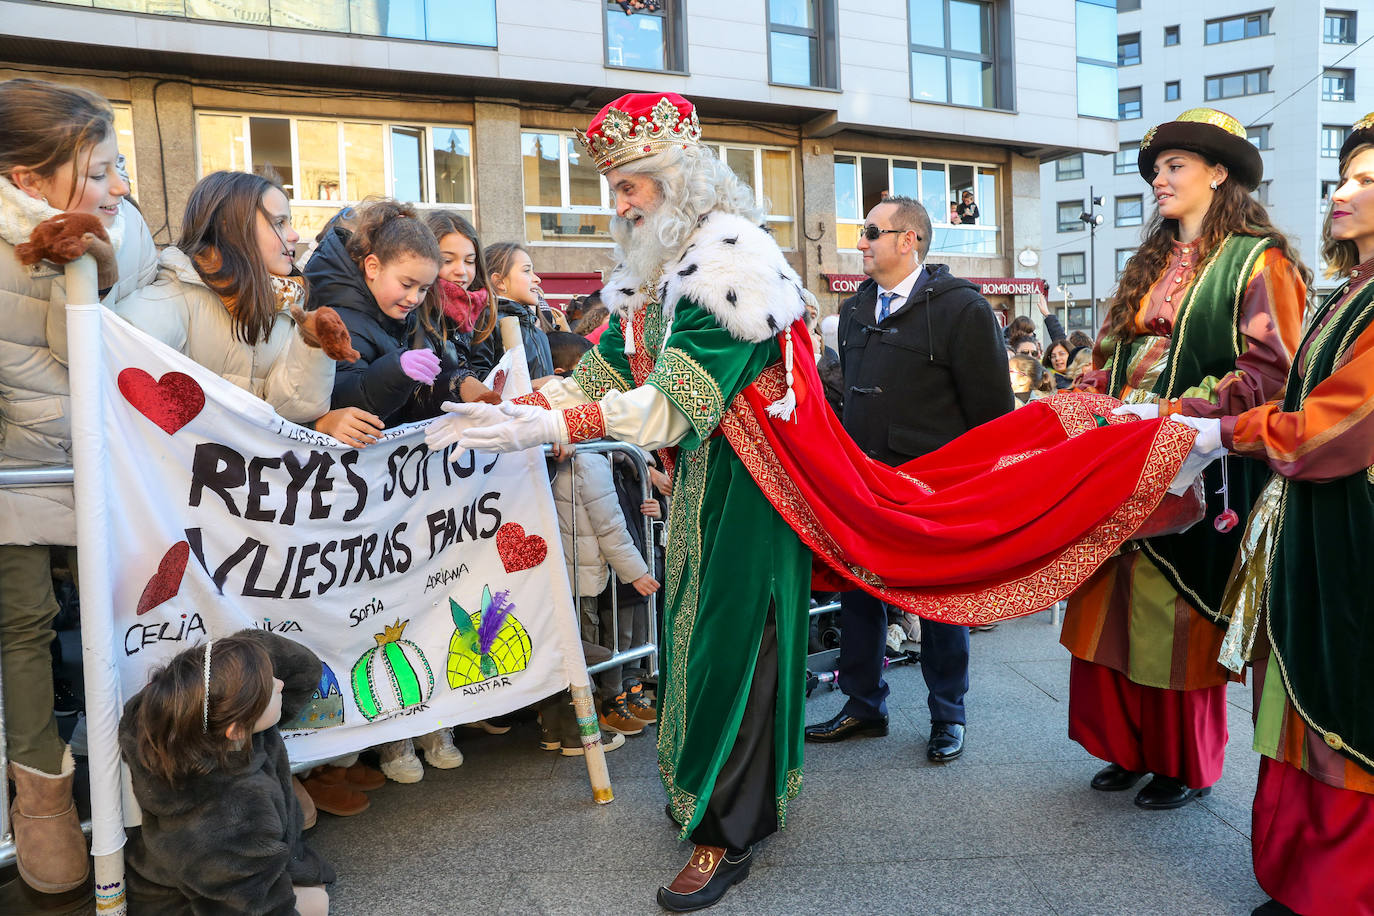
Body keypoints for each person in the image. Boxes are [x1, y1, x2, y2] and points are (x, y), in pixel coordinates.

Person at [430, 92, 813, 911]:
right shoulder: (658, 267)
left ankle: (727, 832)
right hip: (706, 486)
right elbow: (601, 373)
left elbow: (672, 404)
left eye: (632, 185)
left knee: (731, 650)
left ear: (680, 177)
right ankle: (716, 799)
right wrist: (517, 407)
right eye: (615, 187)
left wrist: (548, 427)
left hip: (749, 495)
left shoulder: (731, 268)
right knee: (700, 641)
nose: (620, 204)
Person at [1065, 108, 1308, 809]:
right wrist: (1081, 406)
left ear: (1218, 173)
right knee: (1106, 602)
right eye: (1157, 170)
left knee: (1174, 611)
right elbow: (1106, 355)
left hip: (1199, 463)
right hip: (1117, 453)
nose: (1160, 181)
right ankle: (1124, 746)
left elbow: (1270, 374)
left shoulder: (1261, 261)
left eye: (1174, 167)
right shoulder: (1148, 262)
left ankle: (1180, 763)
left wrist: (1174, 416)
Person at [1211, 118, 1374, 916]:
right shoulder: (1349, 291)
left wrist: (1230, 429)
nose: (1343, 191)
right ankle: (1305, 875)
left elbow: (1333, 429)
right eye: (1344, 177)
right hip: (1323, 527)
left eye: (1367, 180)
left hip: (1359, 535)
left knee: (1347, 701)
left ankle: (1341, 889)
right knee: (1308, 691)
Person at [0, 77, 158, 898]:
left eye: (118, 167)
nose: (119, 187)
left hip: (106, 458)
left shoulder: (122, 234)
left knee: (134, 605)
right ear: (28, 181)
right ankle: (42, 798)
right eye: (99, 171)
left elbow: (107, 351)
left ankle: (161, 780)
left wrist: (91, 265)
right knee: (25, 622)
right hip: (16, 469)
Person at [803, 195, 1013, 762]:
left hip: (936, 483)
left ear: (908, 241)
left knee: (942, 600)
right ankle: (863, 704)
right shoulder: (853, 309)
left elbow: (993, 411)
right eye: (860, 231)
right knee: (860, 593)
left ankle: (949, 714)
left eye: (872, 231)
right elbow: (849, 393)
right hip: (865, 477)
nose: (861, 241)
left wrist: (976, 484)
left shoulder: (961, 308)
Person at [117, 170, 354, 435]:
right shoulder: (175, 298)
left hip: (236, 474)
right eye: (279, 223)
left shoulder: (286, 309)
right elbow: (113, 354)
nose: (294, 235)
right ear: (230, 228)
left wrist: (312, 347)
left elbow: (293, 409)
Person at [118, 630, 333, 915]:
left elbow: (301, 669)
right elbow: (245, 903)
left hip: (219, 869)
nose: (280, 683)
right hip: (193, 902)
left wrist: (238, 658)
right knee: (317, 903)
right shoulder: (229, 813)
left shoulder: (178, 717)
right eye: (268, 688)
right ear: (237, 729)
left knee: (312, 890)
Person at [545, 330, 660, 735]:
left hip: (596, 566)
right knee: (592, 642)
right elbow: (608, 520)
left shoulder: (599, 443)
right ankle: (591, 712)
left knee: (615, 637)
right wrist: (635, 570)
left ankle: (613, 698)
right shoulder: (585, 453)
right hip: (592, 570)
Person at [421, 209, 503, 393]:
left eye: (469, 261)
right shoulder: (415, 311)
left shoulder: (480, 312)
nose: (461, 271)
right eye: (447, 260)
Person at [484, 241, 555, 382]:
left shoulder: (535, 329)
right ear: (500, 282)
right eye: (527, 270)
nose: (537, 279)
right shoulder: (489, 322)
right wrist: (536, 386)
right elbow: (484, 385)